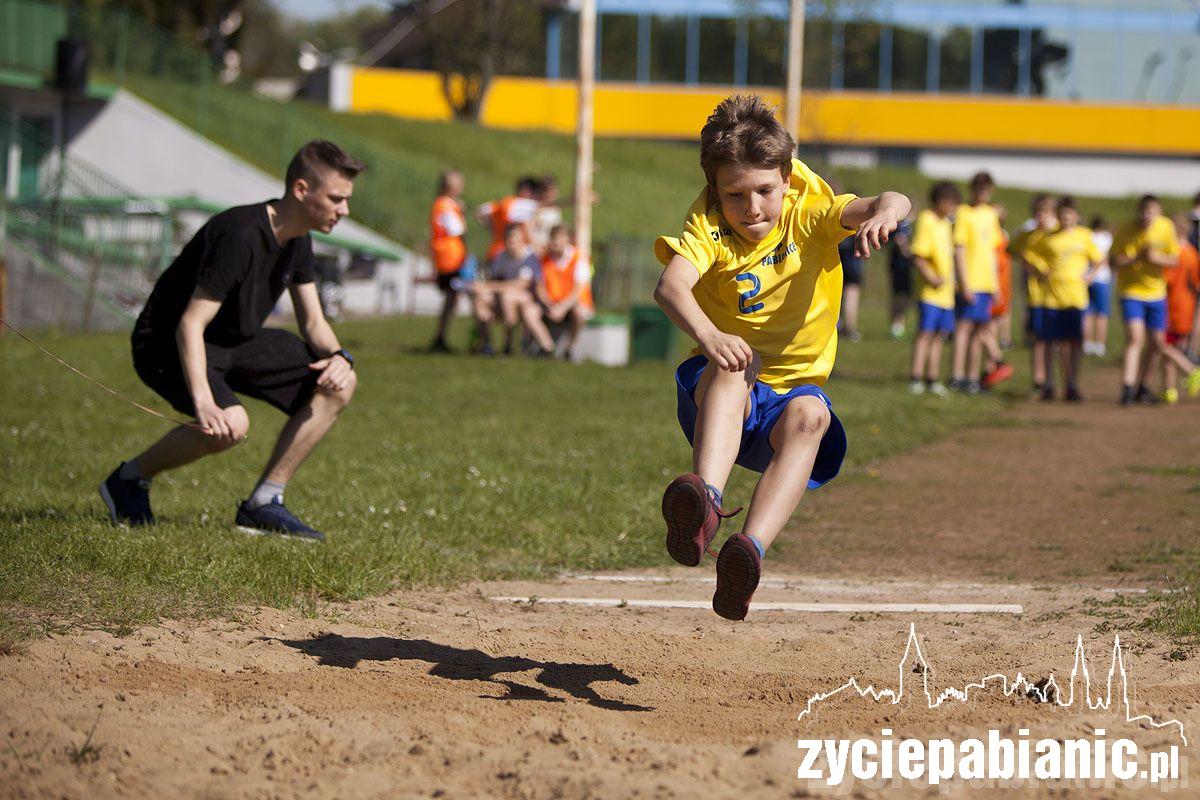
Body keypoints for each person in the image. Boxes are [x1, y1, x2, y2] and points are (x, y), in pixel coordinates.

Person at [652, 95, 910, 621]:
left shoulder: (810, 212)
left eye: (765, 191)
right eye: (735, 195)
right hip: (723, 397)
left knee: (813, 415)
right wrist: (708, 334)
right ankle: (705, 504)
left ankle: (747, 554)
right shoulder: (708, 226)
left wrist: (886, 213)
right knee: (735, 365)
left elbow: (895, 197)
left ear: (787, 180)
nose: (752, 208)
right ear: (714, 190)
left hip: (789, 396)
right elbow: (670, 286)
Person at [99, 140, 363, 541]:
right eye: (336, 199)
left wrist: (340, 356)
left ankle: (263, 502)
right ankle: (129, 479)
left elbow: (313, 321)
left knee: (338, 383)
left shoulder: (300, 237)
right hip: (167, 344)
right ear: (301, 190)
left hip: (233, 340)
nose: (344, 210)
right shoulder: (240, 235)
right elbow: (189, 323)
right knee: (230, 425)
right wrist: (205, 402)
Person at [1111, 195, 1200, 405]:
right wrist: (1135, 256)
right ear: (1138, 211)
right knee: (1135, 338)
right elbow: (1113, 261)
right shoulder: (1126, 229)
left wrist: (1155, 258)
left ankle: (1143, 386)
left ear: (1158, 212)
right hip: (1131, 291)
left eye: (1152, 212)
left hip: (1156, 294)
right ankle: (1127, 388)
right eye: (1144, 211)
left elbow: (1173, 259)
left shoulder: (1165, 227)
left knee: (1157, 343)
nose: (1147, 216)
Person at [1021, 197, 1100, 401]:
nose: (1066, 219)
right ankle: (1048, 383)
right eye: (1062, 215)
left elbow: (1099, 260)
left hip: (1075, 298)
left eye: (1070, 215)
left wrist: (1090, 276)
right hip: (1051, 298)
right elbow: (1026, 254)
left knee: (1073, 343)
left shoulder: (1084, 236)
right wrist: (1038, 270)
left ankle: (1072, 383)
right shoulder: (1048, 237)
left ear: (1076, 216)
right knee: (1049, 342)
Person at [950, 172, 1011, 393]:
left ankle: (973, 376)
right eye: (979, 189)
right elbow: (959, 249)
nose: (982, 194)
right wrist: (964, 283)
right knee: (963, 328)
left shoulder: (990, 215)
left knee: (981, 329)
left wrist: (996, 285)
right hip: (971, 280)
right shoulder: (964, 213)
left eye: (987, 190)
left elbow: (994, 252)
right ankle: (957, 375)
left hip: (986, 281)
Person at [472, 222, 557, 356]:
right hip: (502, 298)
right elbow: (491, 278)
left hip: (530, 301)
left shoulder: (529, 257)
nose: (510, 241)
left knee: (509, 297)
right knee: (481, 298)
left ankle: (510, 345)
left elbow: (521, 284)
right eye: (508, 237)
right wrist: (482, 288)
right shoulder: (500, 256)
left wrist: (489, 286)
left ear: (522, 238)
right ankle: (487, 343)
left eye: (514, 237)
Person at [908, 182, 959, 396]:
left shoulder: (946, 223)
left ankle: (933, 377)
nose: (953, 208)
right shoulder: (926, 219)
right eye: (951, 203)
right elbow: (918, 255)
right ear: (940, 201)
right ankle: (916, 376)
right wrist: (931, 277)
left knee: (939, 335)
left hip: (946, 295)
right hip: (930, 293)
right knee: (925, 334)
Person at [1013, 195, 1056, 397]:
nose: (1040, 217)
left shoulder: (1057, 234)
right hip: (1036, 295)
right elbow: (1012, 249)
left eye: (1045, 212)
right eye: (1037, 213)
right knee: (1038, 339)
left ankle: (1051, 379)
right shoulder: (1028, 235)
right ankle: (1039, 380)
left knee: (1055, 340)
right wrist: (1029, 265)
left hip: (1059, 296)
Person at [536, 224, 594, 359]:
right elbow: (540, 287)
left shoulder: (579, 258)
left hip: (572, 303)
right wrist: (549, 304)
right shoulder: (544, 259)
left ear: (567, 240)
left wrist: (561, 307)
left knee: (579, 314)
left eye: (559, 239)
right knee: (531, 311)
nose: (556, 243)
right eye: (554, 239)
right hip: (550, 303)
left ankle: (569, 349)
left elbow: (578, 290)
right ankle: (547, 346)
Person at [429, 169, 471, 352]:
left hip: (450, 257)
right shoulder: (446, 206)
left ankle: (441, 335)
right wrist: (461, 213)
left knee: (452, 297)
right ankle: (441, 336)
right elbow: (457, 229)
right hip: (450, 259)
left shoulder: (444, 204)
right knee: (453, 295)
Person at [1160, 215, 1200, 403]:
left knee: (1163, 345)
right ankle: (1169, 390)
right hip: (1187, 305)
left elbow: (1166, 280)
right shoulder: (1192, 252)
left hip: (1170, 305)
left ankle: (1191, 370)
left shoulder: (1173, 253)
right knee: (1173, 347)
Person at [477, 177, 540, 263]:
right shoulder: (513, 205)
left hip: (500, 253)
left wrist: (492, 228)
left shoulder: (506, 203)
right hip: (505, 255)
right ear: (525, 190)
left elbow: (481, 211)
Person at [1084, 216, 1114, 358]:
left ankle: (1087, 343)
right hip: (1102, 279)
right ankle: (1100, 344)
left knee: (1088, 313)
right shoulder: (1107, 238)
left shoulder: (1087, 236)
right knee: (1101, 315)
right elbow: (1106, 259)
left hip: (1086, 278)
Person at [888, 210, 915, 339]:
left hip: (905, 266)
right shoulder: (901, 225)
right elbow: (899, 240)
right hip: (899, 266)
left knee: (905, 296)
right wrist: (907, 252)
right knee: (900, 296)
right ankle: (896, 325)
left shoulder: (907, 225)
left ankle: (899, 323)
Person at [837, 217, 865, 343]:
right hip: (852, 260)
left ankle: (837, 324)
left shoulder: (839, 214)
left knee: (837, 293)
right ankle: (850, 327)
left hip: (838, 260)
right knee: (852, 293)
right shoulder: (859, 216)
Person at [992, 203, 1014, 350]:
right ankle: (993, 340)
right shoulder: (992, 235)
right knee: (994, 314)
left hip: (1003, 277)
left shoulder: (1003, 234)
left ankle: (1005, 338)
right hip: (993, 278)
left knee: (1004, 311)